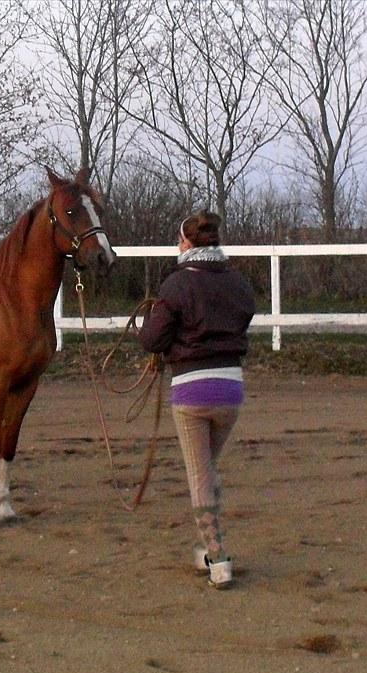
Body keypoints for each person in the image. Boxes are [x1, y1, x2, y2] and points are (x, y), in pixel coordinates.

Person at [137, 210, 255, 589]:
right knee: (208, 468)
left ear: (186, 243)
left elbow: (152, 340)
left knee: (200, 476)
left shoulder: (175, 286)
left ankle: (218, 557)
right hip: (231, 388)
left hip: (191, 390)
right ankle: (204, 547)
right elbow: (243, 317)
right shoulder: (237, 283)